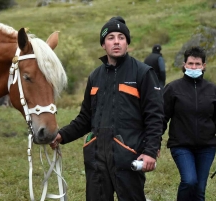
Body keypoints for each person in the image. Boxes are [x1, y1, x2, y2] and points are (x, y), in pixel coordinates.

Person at [50, 16, 164, 201]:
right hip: (96, 159)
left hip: (128, 157)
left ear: (127, 43)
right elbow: (85, 118)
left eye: (121, 37)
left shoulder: (143, 73)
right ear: (103, 44)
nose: (116, 41)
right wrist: (62, 135)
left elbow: (155, 116)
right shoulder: (95, 76)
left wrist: (151, 151)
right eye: (111, 37)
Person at [162, 46, 216, 201]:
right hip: (181, 145)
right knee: (189, 181)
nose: (193, 67)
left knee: (200, 189)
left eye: (197, 64)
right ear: (184, 65)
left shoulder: (214, 91)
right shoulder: (172, 88)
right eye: (190, 64)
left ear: (204, 66)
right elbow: (161, 118)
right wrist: (153, 143)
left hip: (207, 147)